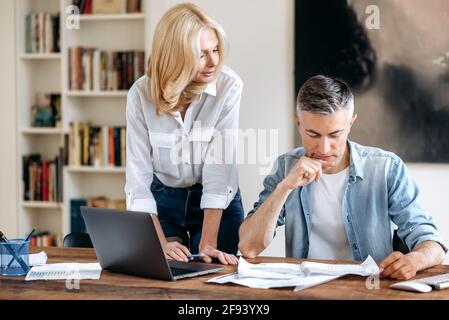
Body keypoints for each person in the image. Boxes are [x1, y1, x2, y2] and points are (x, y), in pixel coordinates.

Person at [238, 75, 447, 280]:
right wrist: (284, 188)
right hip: (303, 291)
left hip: (368, 290)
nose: (324, 148)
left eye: (334, 134)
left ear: (350, 123)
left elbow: (432, 243)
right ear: (298, 124)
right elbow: (248, 247)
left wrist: (416, 259)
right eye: (313, 134)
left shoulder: (386, 168)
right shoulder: (285, 167)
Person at [125, 3, 243, 265]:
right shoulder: (140, 95)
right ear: (176, 57)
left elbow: (219, 169)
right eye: (201, 55)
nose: (214, 61)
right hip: (163, 199)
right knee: (164, 275)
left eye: (215, 50)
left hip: (217, 202)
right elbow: (138, 179)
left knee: (212, 276)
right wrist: (159, 244)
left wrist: (209, 244)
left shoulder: (229, 87)